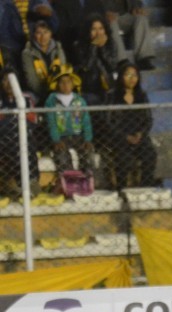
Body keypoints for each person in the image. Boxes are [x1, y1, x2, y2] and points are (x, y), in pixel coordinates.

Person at [105, 62, 157, 190]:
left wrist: (141, 133)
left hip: (138, 135)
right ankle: (122, 188)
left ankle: (146, 186)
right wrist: (124, 136)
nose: (131, 78)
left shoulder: (142, 96)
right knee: (124, 158)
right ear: (121, 77)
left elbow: (148, 119)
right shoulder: (112, 95)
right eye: (127, 75)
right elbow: (107, 121)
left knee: (150, 155)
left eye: (134, 75)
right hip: (119, 137)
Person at [44, 64, 94, 179]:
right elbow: (51, 122)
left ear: (73, 83)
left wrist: (87, 139)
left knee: (87, 153)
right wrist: (56, 139)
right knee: (62, 156)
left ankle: (87, 179)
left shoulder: (80, 100)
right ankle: (69, 180)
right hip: (61, 137)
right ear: (56, 84)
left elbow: (86, 121)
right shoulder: (51, 100)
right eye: (62, 82)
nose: (65, 85)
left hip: (77, 136)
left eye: (68, 81)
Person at [0, 66, 40, 199]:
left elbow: (32, 121)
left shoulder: (27, 98)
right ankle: (11, 184)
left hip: (22, 138)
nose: (9, 83)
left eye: (12, 80)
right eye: (5, 80)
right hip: (3, 139)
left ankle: (31, 182)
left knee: (25, 143)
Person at [73, 14, 119, 106]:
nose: (98, 33)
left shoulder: (111, 44)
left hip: (108, 86)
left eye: (101, 28)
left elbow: (112, 66)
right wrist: (94, 46)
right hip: (88, 88)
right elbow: (87, 66)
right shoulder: (79, 45)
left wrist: (102, 48)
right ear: (88, 31)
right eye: (94, 29)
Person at [21, 19, 66, 104]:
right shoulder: (27, 53)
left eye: (46, 32)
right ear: (34, 35)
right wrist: (47, 94)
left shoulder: (58, 48)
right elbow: (32, 81)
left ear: (50, 34)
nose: (43, 36)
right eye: (39, 33)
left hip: (58, 90)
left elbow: (63, 71)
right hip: (37, 93)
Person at [102, 0, 156, 70]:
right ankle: (121, 61)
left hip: (125, 17)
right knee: (112, 23)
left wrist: (137, 9)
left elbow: (137, 4)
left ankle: (143, 58)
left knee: (141, 18)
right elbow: (91, 7)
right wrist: (103, 14)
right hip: (106, 19)